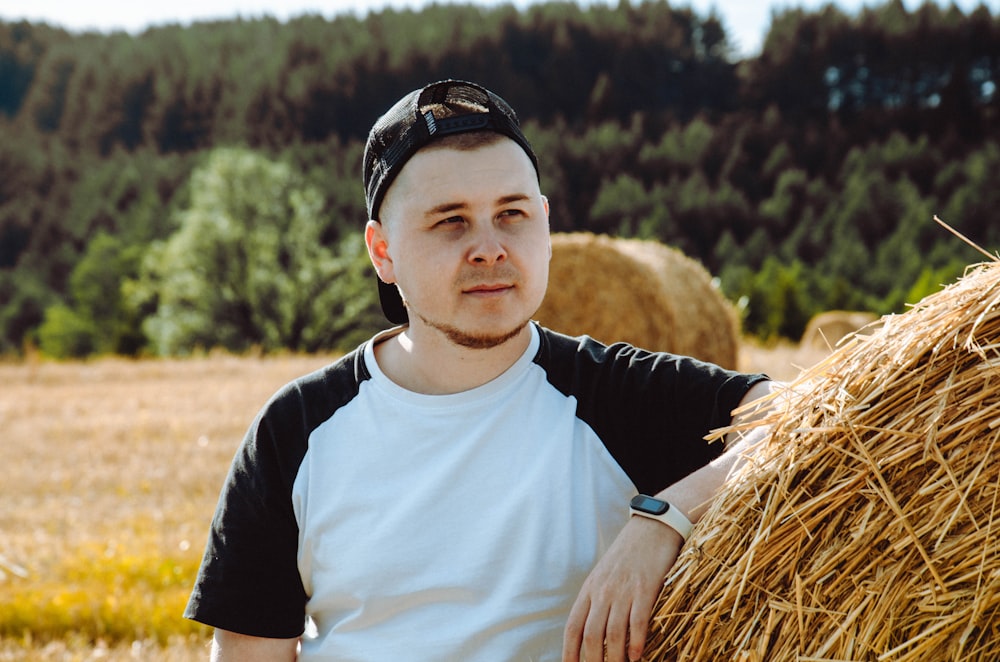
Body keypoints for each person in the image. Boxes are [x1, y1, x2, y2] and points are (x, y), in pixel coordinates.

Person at [184, 79, 774, 662]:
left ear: (544, 226)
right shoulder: (296, 432)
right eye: (451, 221)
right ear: (382, 252)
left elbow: (812, 416)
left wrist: (663, 520)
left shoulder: (618, 394)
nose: (490, 248)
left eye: (511, 214)